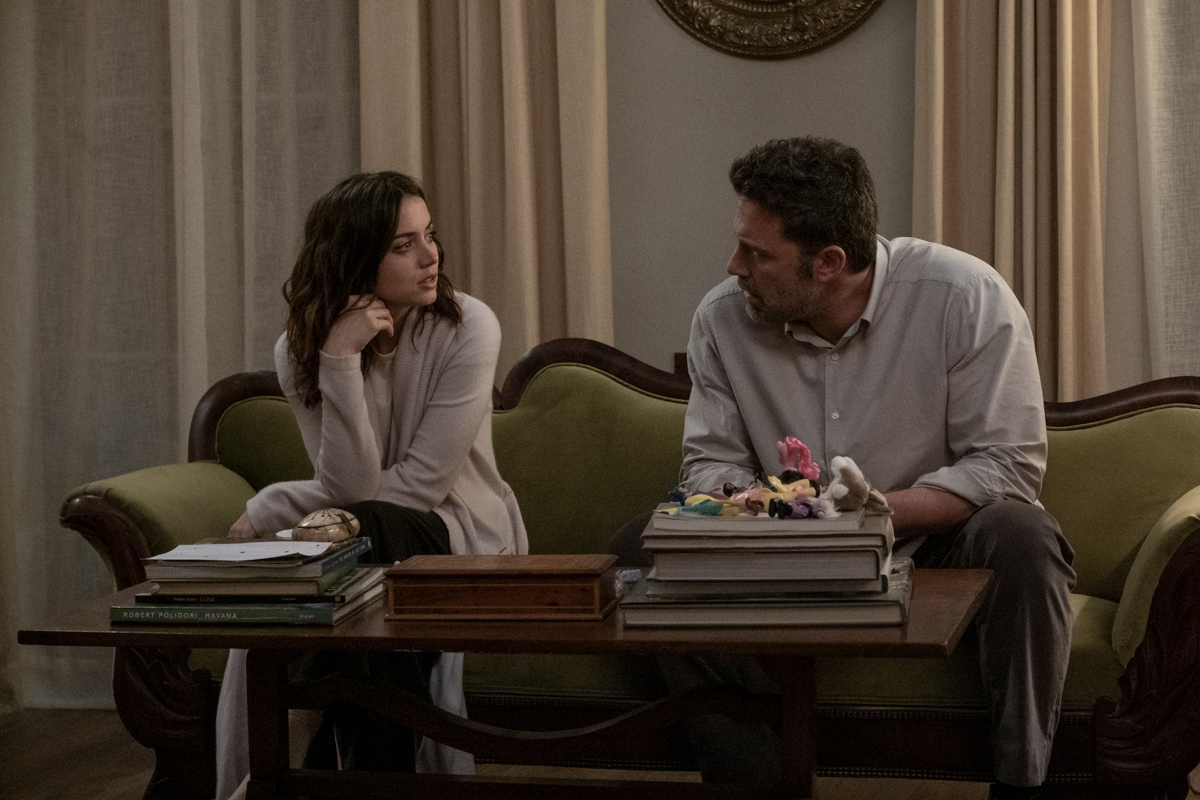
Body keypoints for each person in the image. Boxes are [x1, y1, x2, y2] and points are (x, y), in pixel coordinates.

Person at [639, 137, 1076, 800]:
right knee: (642, 545)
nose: (734, 267)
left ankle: (1020, 784)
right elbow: (709, 465)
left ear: (829, 263)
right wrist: (777, 508)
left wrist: (864, 514)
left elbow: (1007, 466)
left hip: (934, 537)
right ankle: (755, 785)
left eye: (757, 254)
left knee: (1024, 538)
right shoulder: (721, 320)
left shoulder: (964, 296)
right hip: (782, 540)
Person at [213, 171, 527, 798]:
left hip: (459, 536)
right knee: (361, 582)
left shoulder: (469, 326)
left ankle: (302, 763)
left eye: (429, 235)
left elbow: (417, 490)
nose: (431, 256)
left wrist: (277, 503)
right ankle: (372, 773)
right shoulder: (302, 349)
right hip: (368, 543)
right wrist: (339, 358)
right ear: (355, 259)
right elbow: (349, 485)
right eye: (403, 245)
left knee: (348, 540)